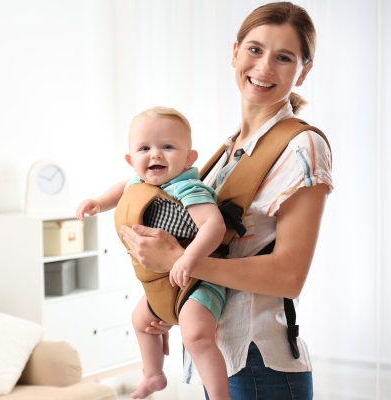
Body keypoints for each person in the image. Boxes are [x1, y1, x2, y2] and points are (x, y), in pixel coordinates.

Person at [119, 2, 332, 400]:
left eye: (284, 57)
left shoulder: (303, 147)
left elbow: (289, 275)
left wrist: (179, 264)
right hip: (221, 354)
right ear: (234, 52)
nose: (265, 67)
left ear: (303, 71)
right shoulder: (226, 152)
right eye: (255, 49)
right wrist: (172, 298)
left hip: (260, 363)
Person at [76, 106, 229, 399]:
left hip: (199, 278)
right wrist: (97, 201)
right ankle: (154, 375)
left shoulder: (186, 187)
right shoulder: (138, 183)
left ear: (188, 158)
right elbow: (122, 189)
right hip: (162, 282)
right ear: (131, 160)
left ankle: (220, 396)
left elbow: (214, 226)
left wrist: (189, 258)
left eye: (167, 146)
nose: (155, 154)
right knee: (141, 321)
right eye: (144, 148)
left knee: (196, 334)